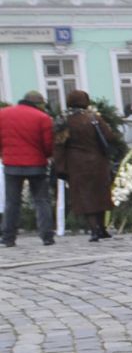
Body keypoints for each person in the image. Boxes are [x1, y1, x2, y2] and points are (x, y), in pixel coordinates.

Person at [54, 90, 115, 242]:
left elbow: (59, 144)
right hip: (98, 162)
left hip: (77, 164)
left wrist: (60, 166)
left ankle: (94, 230)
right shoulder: (94, 118)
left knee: (84, 196)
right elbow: (109, 136)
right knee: (100, 194)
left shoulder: (65, 121)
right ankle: (102, 229)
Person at [0, 90, 56, 247]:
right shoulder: (42, 117)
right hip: (36, 164)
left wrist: (4, 154)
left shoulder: (3, 114)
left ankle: (8, 237)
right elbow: (48, 144)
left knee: (12, 202)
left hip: (11, 164)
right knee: (41, 200)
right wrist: (47, 156)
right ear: (38, 103)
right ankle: (46, 236)